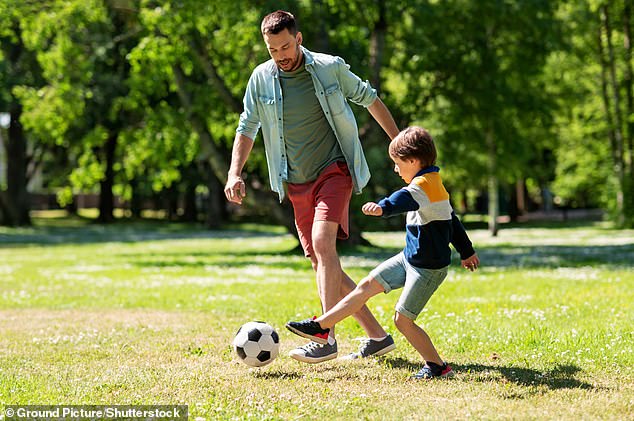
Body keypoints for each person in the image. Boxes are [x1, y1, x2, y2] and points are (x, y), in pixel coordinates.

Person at [224, 10, 401, 363]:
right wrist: (234, 172)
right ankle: (377, 337)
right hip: (294, 180)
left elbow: (369, 98)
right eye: (273, 50)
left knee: (323, 244)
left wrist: (399, 148)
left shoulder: (328, 67)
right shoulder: (260, 79)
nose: (281, 55)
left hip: (333, 170)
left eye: (286, 46)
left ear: (299, 38)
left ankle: (324, 336)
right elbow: (247, 126)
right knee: (321, 261)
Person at [286, 126, 480, 379]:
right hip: (408, 259)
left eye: (398, 163)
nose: (396, 169)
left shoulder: (424, 185)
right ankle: (322, 327)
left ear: (413, 160)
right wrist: (467, 251)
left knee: (403, 321)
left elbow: (404, 199)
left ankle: (437, 366)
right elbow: (452, 222)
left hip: (427, 269)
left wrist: (382, 208)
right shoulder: (432, 184)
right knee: (365, 286)